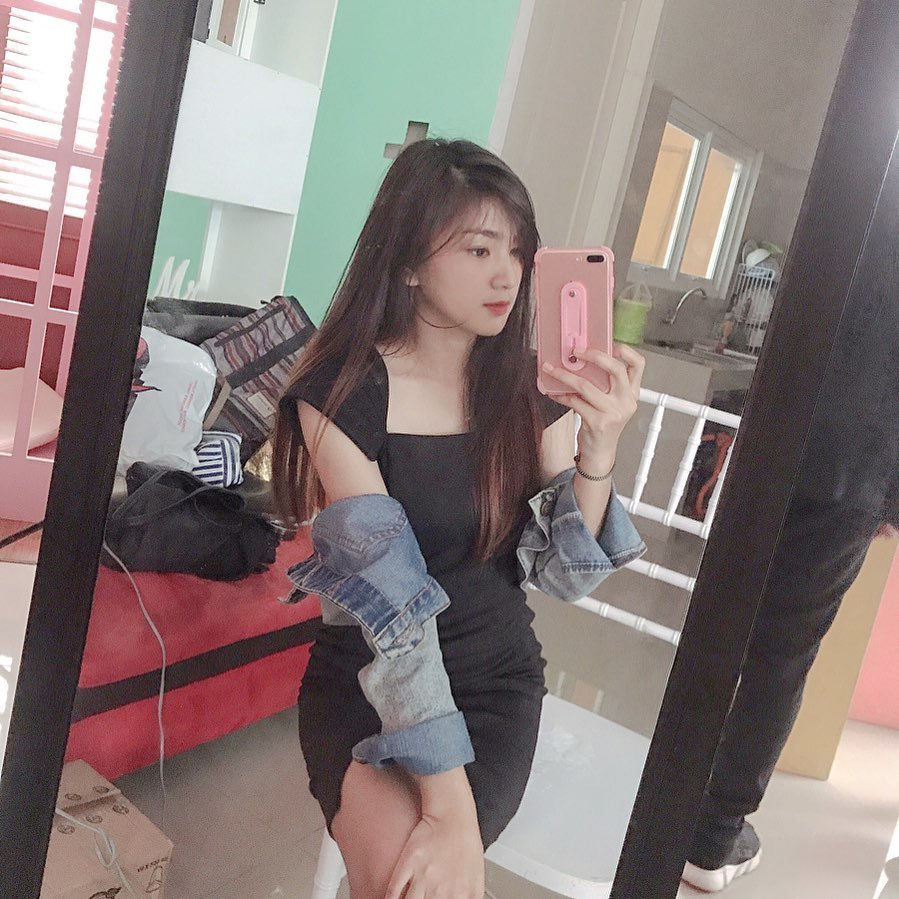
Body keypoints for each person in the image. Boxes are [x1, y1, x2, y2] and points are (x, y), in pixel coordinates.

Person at [271, 138, 646, 898]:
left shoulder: (528, 391)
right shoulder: (341, 394)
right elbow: (391, 610)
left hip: (493, 681)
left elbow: (563, 577)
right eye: (479, 250)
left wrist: (599, 449)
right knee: (412, 880)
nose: (507, 274)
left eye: (517, 251)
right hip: (368, 677)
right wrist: (447, 805)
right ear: (410, 262)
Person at [682, 255, 899, 892]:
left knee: (724, 626)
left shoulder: (864, 203)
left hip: (780, 441)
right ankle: (712, 833)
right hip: (852, 467)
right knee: (779, 654)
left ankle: (686, 801)